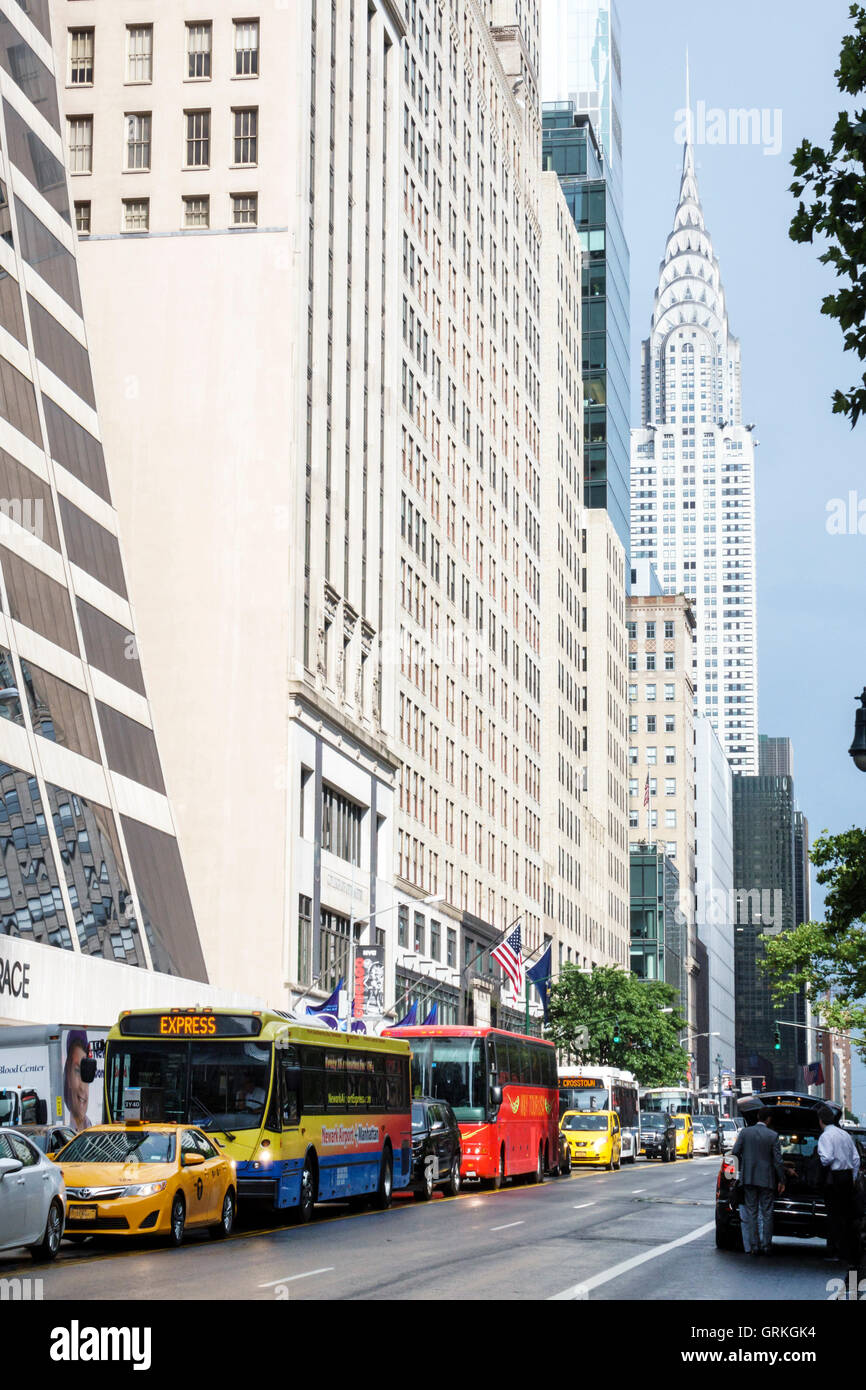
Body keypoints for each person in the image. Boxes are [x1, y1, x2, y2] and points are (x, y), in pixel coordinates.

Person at [732, 1107, 785, 1255]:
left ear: (757, 1116)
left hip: (748, 1178)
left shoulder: (745, 1132)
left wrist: (746, 1162)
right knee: (767, 1213)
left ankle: (754, 1246)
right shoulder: (773, 1136)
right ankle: (766, 1245)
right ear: (769, 1120)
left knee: (751, 1212)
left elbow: (735, 1152)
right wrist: (782, 1180)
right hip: (767, 1179)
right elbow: (778, 1161)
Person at [817, 1106, 861, 1264]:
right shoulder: (845, 1135)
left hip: (834, 1178)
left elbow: (826, 1158)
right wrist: (853, 1178)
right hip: (847, 1177)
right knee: (846, 1215)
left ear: (820, 1121)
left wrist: (820, 1159)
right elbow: (856, 1159)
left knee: (833, 1215)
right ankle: (847, 1251)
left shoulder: (825, 1136)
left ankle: (833, 1250)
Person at [63, 1030, 93, 1133]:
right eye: (77, 1071)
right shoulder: (65, 1131)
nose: (82, 1087)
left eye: (86, 1071)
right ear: (68, 1075)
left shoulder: (92, 1128)